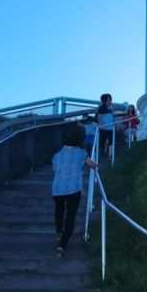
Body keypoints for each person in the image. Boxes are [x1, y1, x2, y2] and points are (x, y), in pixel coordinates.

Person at [51, 124, 98, 256]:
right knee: (71, 216)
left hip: (57, 188)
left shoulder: (57, 155)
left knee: (59, 210)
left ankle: (59, 232)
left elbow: (54, 168)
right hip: (73, 189)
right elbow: (93, 164)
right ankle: (62, 247)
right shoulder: (81, 153)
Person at [96, 93, 115, 159]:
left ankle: (110, 155)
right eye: (108, 99)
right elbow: (99, 117)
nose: (109, 100)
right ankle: (98, 155)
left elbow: (113, 117)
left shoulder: (110, 108)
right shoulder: (102, 107)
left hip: (111, 128)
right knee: (102, 141)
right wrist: (102, 125)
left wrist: (112, 110)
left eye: (109, 99)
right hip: (104, 128)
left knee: (111, 141)